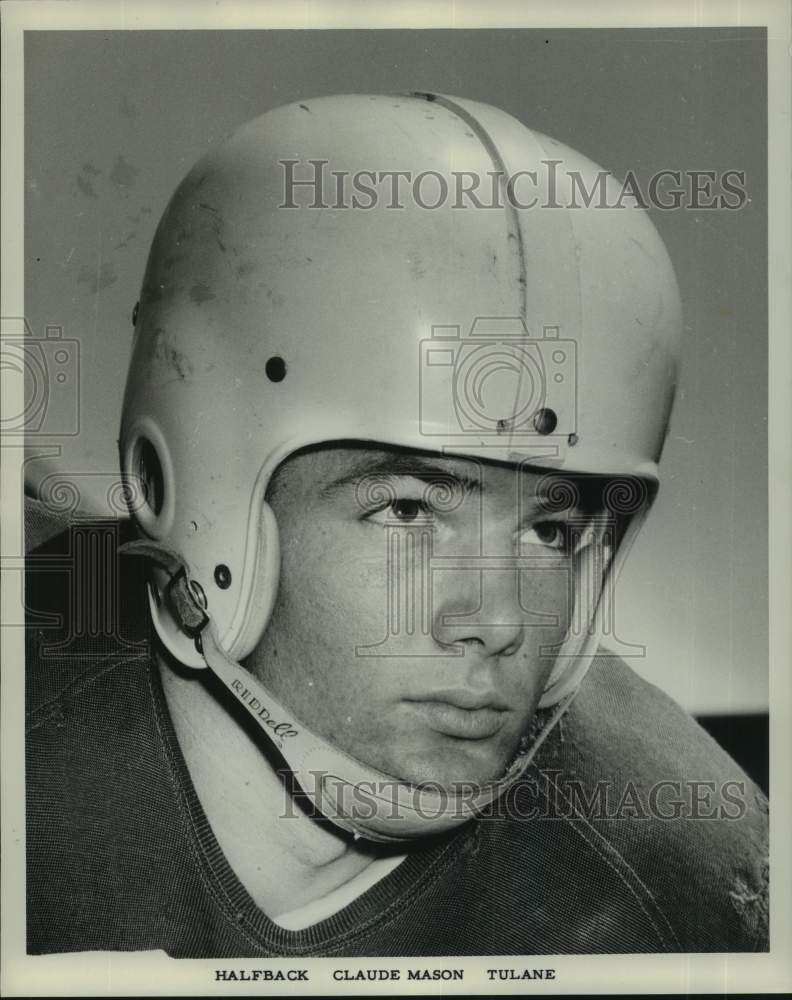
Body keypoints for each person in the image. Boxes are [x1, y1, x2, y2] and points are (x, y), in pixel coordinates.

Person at [25, 93, 768, 956]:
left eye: (548, 534)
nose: (495, 623)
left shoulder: (691, 883)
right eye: (409, 511)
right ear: (200, 494)